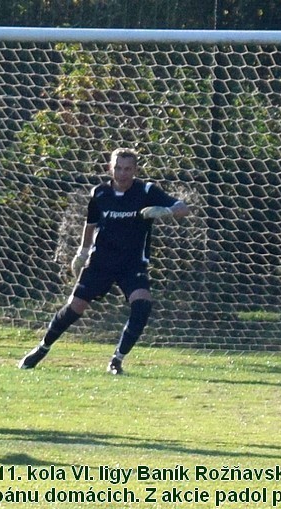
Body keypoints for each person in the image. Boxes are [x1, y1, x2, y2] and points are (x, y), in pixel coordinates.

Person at [19, 148, 191, 375]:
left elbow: (183, 208)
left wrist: (166, 211)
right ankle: (42, 348)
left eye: (127, 169)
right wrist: (82, 252)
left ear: (135, 170)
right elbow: (90, 224)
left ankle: (116, 360)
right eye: (118, 168)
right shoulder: (99, 193)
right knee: (74, 307)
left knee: (142, 304)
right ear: (110, 168)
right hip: (100, 262)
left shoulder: (146, 191)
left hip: (131, 264)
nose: (122, 173)